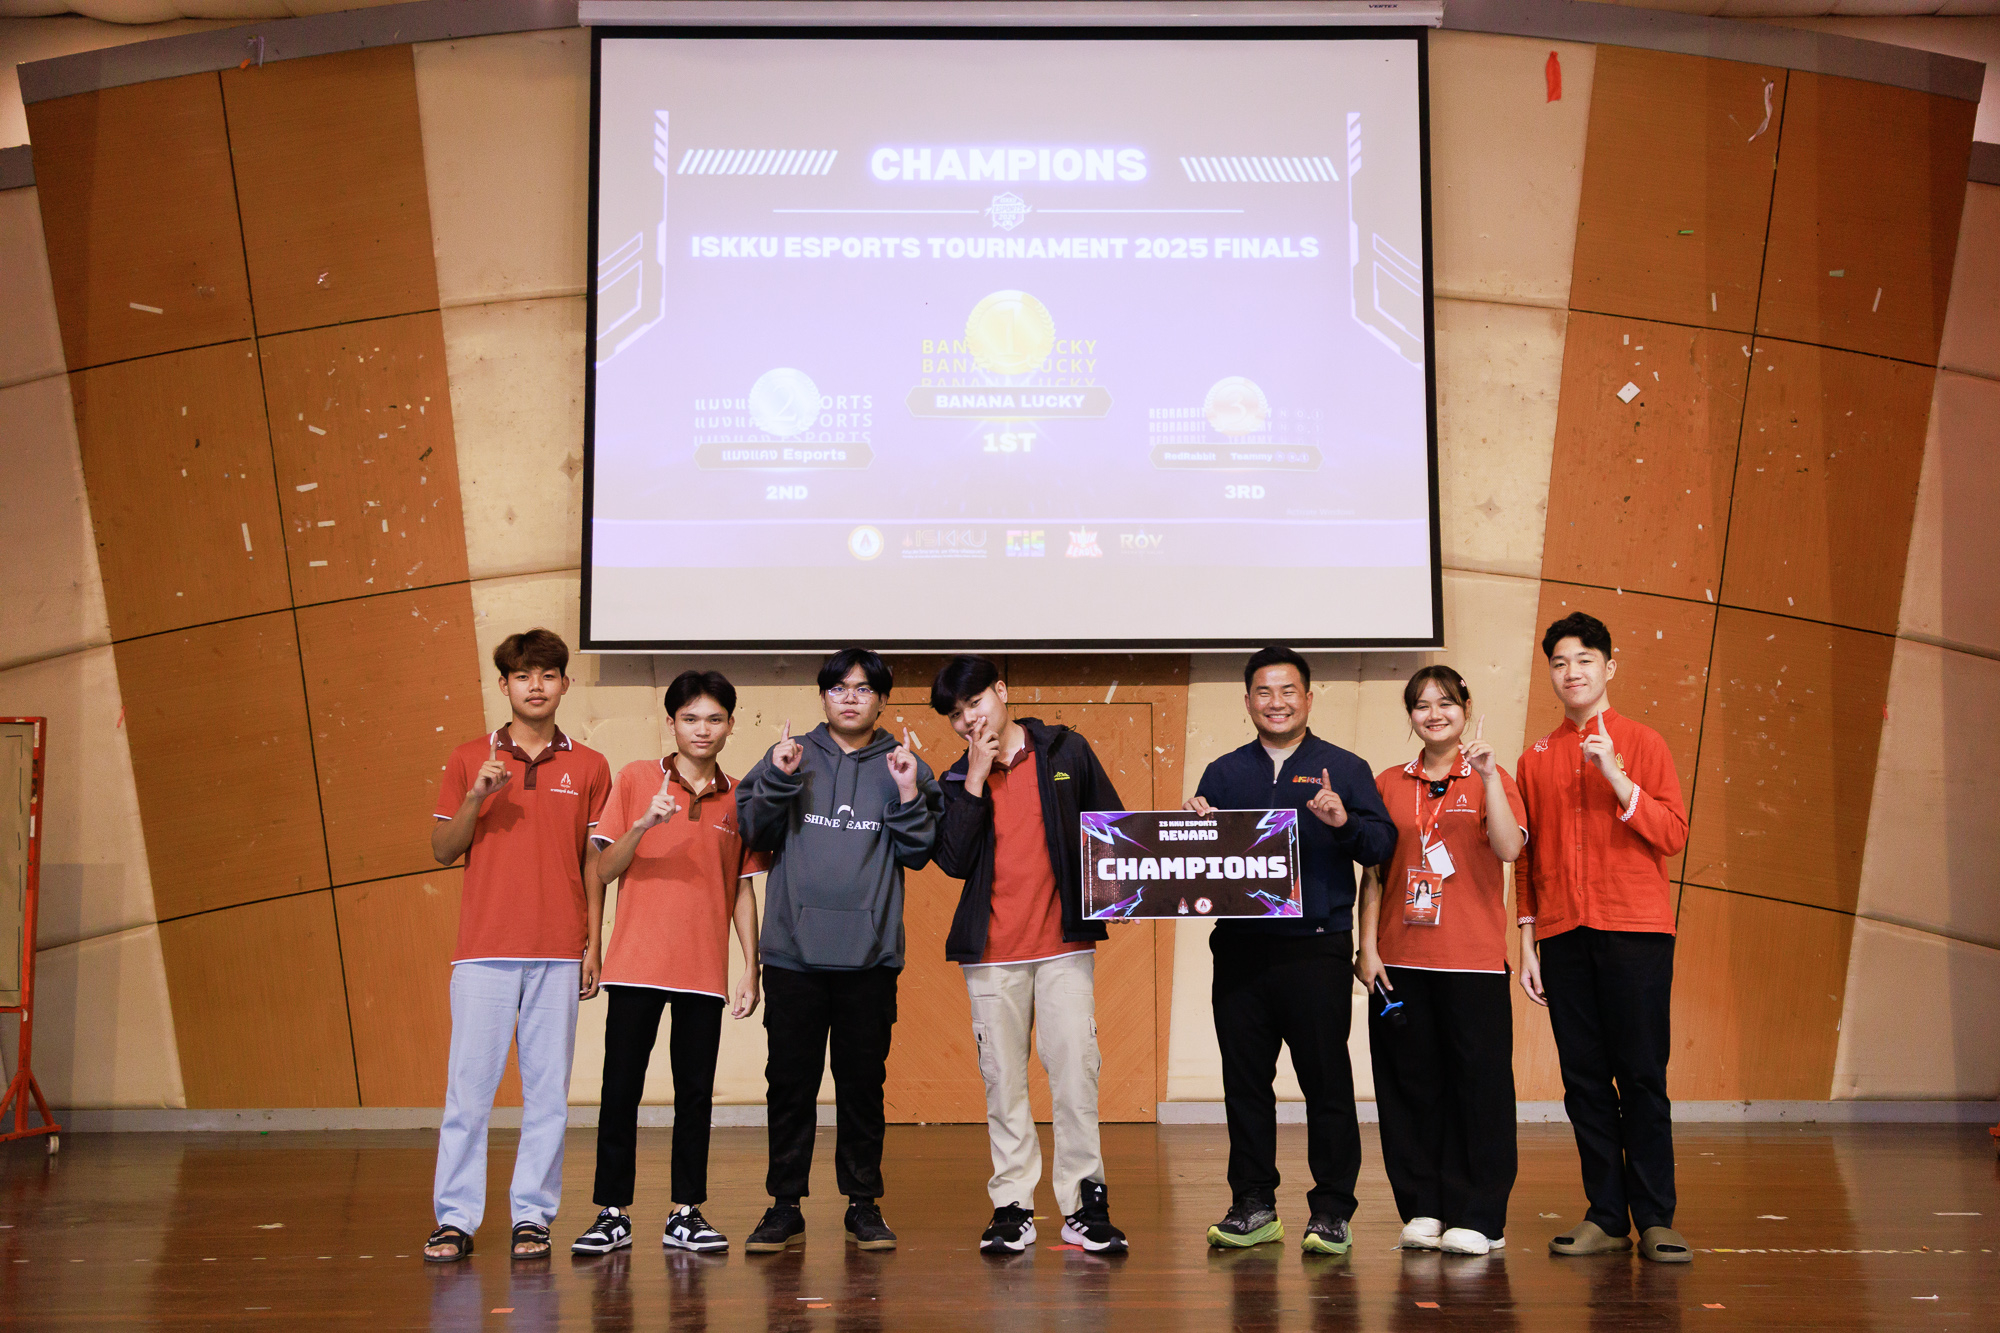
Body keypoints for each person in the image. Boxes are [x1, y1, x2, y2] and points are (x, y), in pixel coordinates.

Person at [1185, 646, 1397, 1254]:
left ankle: (1331, 1209)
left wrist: (1343, 822)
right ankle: (1253, 1204)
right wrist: (1193, 826)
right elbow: (1200, 865)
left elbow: (1381, 846)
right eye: (1263, 692)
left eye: (1287, 691)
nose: (1275, 703)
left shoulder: (1344, 768)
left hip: (1316, 950)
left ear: (1307, 697)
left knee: (1326, 1082)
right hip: (1240, 951)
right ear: (1247, 700)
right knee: (1245, 1084)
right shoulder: (1223, 772)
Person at [734, 647, 942, 1253]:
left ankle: (863, 1204)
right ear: (822, 696)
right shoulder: (789, 754)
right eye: (838, 687)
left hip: (870, 958)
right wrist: (780, 777)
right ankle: (784, 1206)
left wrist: (907, 790)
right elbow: (754, 833)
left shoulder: (905, 764)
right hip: (792, 955)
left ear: (883, 699)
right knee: (789, 1084)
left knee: (862, 1086)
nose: (850, 697)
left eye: (864, 688)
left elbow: (919, 852)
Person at [929, 654, 1130, 1257]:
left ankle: (1084, 1207)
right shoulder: (953, 779)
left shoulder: (1066, 750)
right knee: (1003, 1084)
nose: (969, 720)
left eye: (976, 703)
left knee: (1076, 1075)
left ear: (1001, 690)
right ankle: (1012, 1207)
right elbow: (953, 861)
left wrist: (1126, 892)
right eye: (956, 715)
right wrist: (974, 779)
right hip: (991, 954)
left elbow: (1112, 825)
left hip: (1063, 946)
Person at [423, 628, 611, 1263]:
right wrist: (477, 795)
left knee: (548, 1097)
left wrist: (592, 943)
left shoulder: (590, 765)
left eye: (548, 674)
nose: (536, 686)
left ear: (565, 684)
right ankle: (455, 1219)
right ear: (503, 685)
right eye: (524, 676)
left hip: (559, 951)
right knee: (468, 1096)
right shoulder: (467, 758)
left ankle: (533, 1217)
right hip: (483, 951)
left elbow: (593, 862)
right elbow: (443, 850)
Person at [570, 670, 768, 1256]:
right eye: (690, 718)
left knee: (695, 1095)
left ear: (730, 725)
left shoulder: (740, 797)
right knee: (620, 1090)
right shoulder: (636, 779)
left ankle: (686, 1212)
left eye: (714, 719)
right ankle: (612, 1212)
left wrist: (750, 967)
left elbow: (741, 888)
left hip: (703, 972)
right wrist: (643, 824)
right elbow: (604, 870)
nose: (702, 729)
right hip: (634, 966)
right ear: (671, 723)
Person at [1516, 612, 1691, 1263]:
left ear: (1609, 667)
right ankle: (1607, 1215)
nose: (1572, 672)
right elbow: (1526, 860)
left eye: (1585, 659)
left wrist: (1617, 776)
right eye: (1560, 662)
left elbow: (1673, 834)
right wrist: (1528, 940)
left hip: (1636, 932)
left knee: (1641, 1074)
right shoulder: (1534, 758)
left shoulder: (1643, 742)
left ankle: (1656, 1217)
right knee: (1584, 1080)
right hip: (1563, 935)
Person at [1354, 665, 1528, 1258]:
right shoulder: (1386, 783)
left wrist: (1489, 778)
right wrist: (1368, 947)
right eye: (1422, 705)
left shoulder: (1490, 776)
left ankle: (1481, 1215)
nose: (1434, 714)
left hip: (1472, 962)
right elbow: (1374, 872)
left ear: (1466, 709)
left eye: (1446, 703)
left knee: (1479, 1089)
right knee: (1409, 1087)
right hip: (1400, 961)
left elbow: (1509, 848)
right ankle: (1423, 1206)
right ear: (1410, 716)